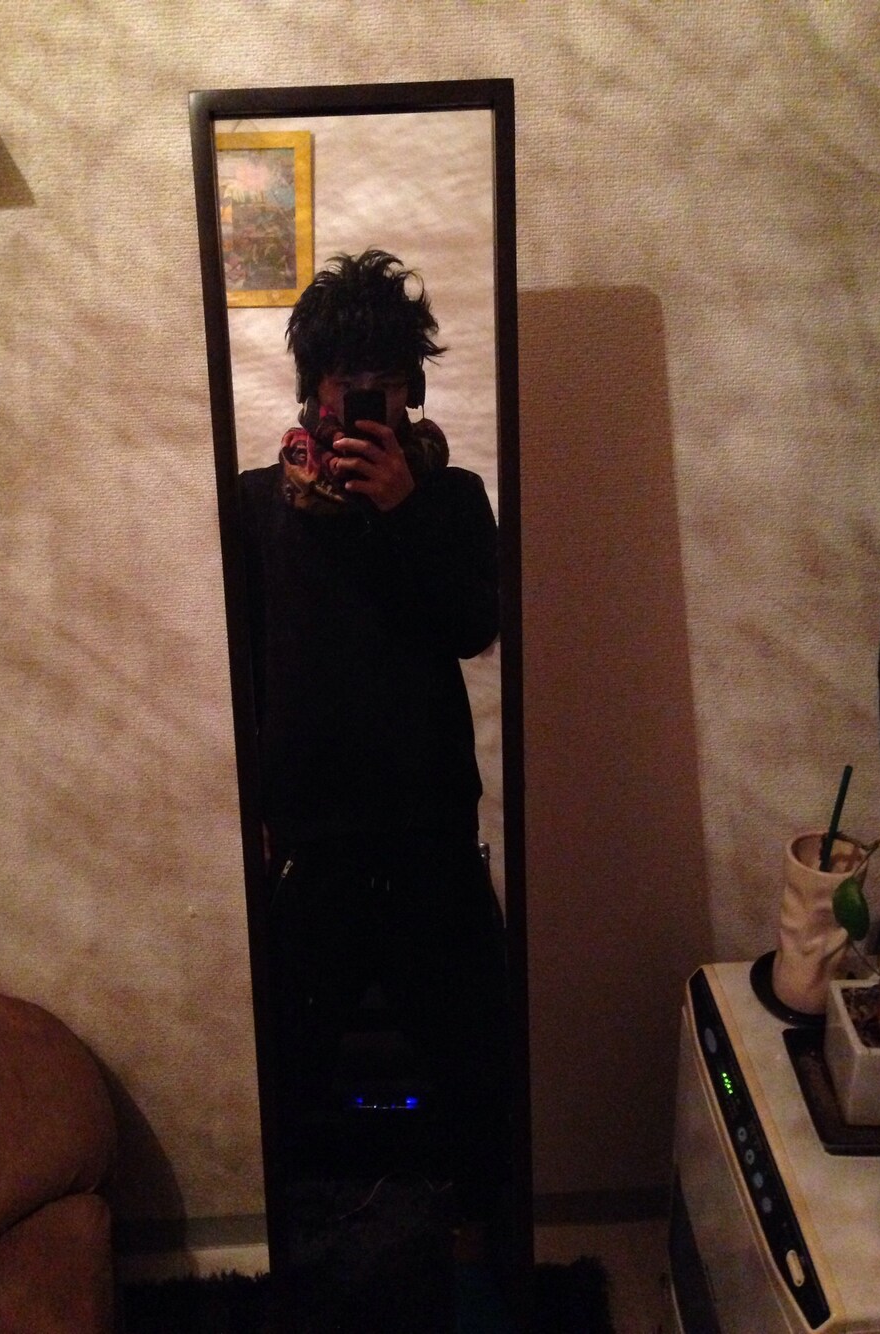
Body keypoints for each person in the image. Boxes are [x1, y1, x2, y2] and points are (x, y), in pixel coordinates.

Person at [239, 249, 507, 1233]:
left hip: (431, 831)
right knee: (290, 1073)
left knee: (480, 1071)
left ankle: (485, 1252)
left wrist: (404, 514)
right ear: (312, 388)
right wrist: (250, 811)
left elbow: (471, 626)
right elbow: (241, 672)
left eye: (385, 383)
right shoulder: (255, 505)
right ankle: (307, 1260)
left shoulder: (453, 498)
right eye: (345, 382)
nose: (364, 403)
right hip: (311, 843)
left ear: (412, 390)